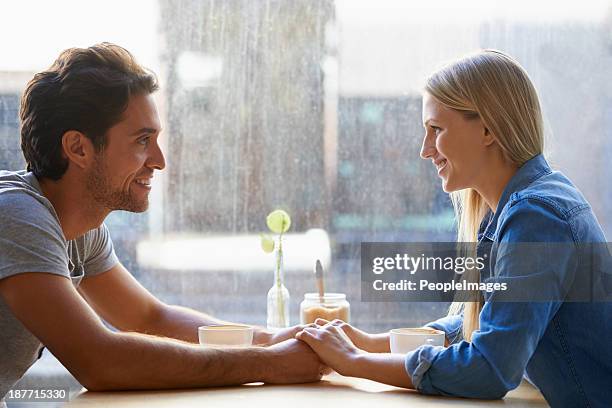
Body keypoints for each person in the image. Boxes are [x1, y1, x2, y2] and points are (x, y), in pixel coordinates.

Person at [0, 43, 325, 400]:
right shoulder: (17, 215)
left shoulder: (79, 231)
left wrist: (274, 340)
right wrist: (269, 364)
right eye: (142, 141)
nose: (159, 160)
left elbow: (151, 319)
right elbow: (99, 360)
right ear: (79, 148)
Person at [295, 50, 612, 407]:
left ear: (489, 129)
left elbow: (489, 368)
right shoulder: (518, 206)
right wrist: (366, 341)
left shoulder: (537, 217)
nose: (425, 150)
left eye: (436, 130)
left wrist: (354, 363)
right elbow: (476, 326)